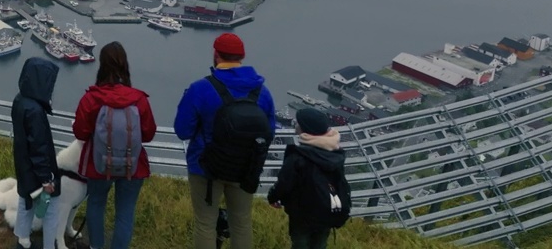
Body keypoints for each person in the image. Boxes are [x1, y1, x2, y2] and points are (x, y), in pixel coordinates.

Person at [174, 33, 277, 249]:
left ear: (216, 55)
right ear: (242, 57)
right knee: (241, 223)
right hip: (244, 169)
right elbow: (269, 132)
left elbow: (183, 130)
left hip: (206, 168)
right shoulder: (262, 92)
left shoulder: (200, 89)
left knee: (205, 223)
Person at [72, 41, 157, 249]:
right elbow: (148, 134)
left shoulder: (91, 98)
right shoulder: (139, 99)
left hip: (98, 163)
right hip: (133, 165)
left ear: (101, 64)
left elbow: (80, 132)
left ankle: (96, 247)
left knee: (96, 204)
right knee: (125, 212)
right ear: (125, 65)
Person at [268, 108, 349, 249]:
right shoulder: (336, 155)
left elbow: (284, 183)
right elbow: (340, 183)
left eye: (298, 123)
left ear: (306, 130)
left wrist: (272, 197)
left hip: (302, 211)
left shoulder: (298, 157)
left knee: (300, 242)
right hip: (326, 209)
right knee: (320, 243)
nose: (296, 125)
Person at [12, 56, 61, 249]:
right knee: (52, 208)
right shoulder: (35, 111)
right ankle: (50, 245)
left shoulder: (20, 100)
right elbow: (39, 148)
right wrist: (46, 180)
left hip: (23, 165)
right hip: (38, 169)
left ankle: (22, 238)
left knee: (26, 200)